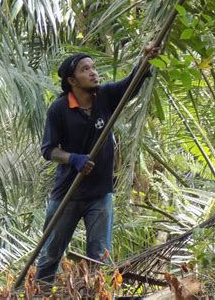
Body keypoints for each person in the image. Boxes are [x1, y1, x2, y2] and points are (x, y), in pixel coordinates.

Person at [36, 50, 156, 282]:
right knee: (50, 254)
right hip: (67, 194)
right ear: (71, 81)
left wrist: (146, 59)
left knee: (99, 259)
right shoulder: (59, 109)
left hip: (100, 194)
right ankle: (39, 295)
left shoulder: (106, 96)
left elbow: (133, 82)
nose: (93, 72)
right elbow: (48, 150)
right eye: (85, 69)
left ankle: (95, 295)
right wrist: (73, 159)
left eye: (93, 67)